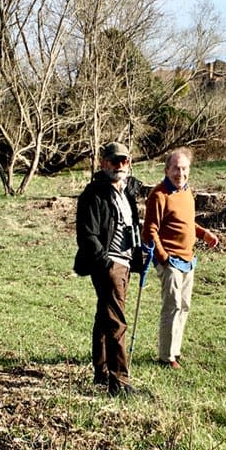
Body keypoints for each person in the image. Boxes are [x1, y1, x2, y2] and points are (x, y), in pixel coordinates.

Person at [74, 142, 143, 397]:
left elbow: (131, 226)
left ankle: (101, 373)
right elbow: (87, 234)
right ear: (103, 163)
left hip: (124, 263)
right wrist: (105, 262)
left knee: (104, 318)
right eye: (114, 161)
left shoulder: (126, 192)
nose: (119, 166)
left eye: (123, 161)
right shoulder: (93, 194)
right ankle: (120, 382)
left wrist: (137, 257)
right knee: (116, 321)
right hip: (108, 264)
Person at [142, 147, 218, 370]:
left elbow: (186, 224)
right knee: (172, 305)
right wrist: (163, 258)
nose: (180, 173)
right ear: (167, 170)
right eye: (176, 168)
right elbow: (150, 231)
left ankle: (175, 350)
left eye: (184, 169)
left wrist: (204, 234)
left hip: (188, 259)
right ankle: (166, 357)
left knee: (184, 305)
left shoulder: (187, 192)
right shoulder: (158, 195)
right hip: (170, 260)